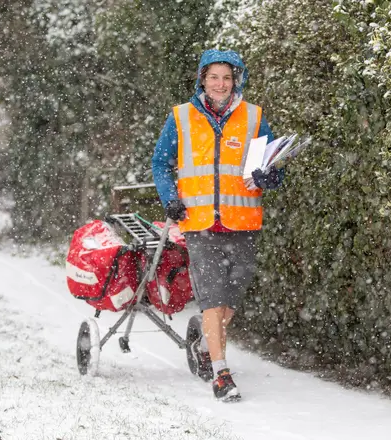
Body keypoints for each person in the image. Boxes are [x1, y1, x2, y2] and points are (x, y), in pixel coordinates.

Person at [152, 49, 283, 401]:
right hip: (199, 222)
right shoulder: (180, 117)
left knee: (232, 297)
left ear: (235, 80)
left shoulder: (254, 117)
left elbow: (274, 168)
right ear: (202, 80)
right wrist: (170, 198)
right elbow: (161, 164)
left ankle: (208, 348)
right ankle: (221, 373)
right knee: (212, 296)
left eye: (227, 77)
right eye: (214, 77)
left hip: (242, 221)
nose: (220, 84)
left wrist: (268, 177)